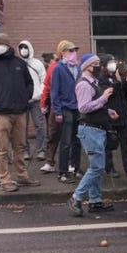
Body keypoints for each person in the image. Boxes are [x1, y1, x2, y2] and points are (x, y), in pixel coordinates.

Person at [0, 33, 40, 192]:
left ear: (8, 45)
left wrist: (25, 97)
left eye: (2, 44)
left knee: (20, 146)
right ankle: (5, 179)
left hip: (20, 112)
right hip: (0, 113)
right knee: (2, 148)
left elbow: (29, 83)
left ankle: (22, 176)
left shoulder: (19, 63)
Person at [67, 54, 118, 217]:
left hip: (96, 129)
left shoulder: (93, 82)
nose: (99, 66)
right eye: (95, 64)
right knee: (97, 167)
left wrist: (107, 111)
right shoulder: (84, 84)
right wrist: (104, 98)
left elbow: (93, 105)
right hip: (90, 130)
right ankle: (76, 197)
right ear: (87, 66)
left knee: (97, 167)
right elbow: (83, 108)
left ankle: (95, 201)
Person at [99, 54, 127, 178]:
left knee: (126, 144)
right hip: (110, 116)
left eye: (114, 62)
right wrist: (117, 82)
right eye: (110, 62)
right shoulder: (101, 79)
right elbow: (109, 94)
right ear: (104, 65)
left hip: (123, 115)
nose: (113, 64)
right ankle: (109, 168)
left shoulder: (117, 77)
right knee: (109, 144)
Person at [50, 40, 82, 183]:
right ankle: (62, 172)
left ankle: (75, 167)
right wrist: (57, 111)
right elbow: (54, 91)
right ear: (63, 53)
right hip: (65, 108)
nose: (74, 53)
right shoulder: (58, 69)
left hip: (78, 108)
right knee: (65, 142)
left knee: (77, 140)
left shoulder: (78, 68)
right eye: (70, 50)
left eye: (75, 50)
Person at [17, 39, 47, 161]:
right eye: (21, 48)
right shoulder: (17, 64)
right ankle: (25, 150)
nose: (23, 50)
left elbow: (44, 79)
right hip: (22, 101)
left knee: (39, 125)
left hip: (36, 100)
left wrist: (40, 93)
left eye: (25, 47)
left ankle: (42, 150)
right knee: (22, 127)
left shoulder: (37, 63)